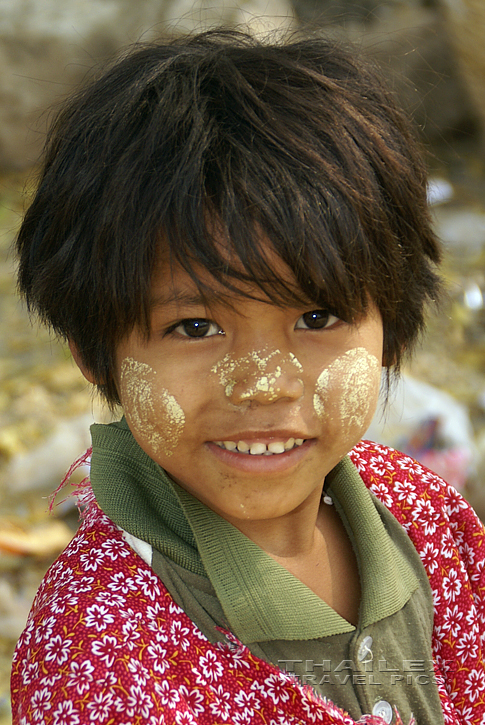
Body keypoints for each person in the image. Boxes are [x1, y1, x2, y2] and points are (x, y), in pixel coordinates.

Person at [10, 28, 485, 725]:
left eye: (316, 315)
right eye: (195, 327)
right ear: (93, 350)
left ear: (391, 324)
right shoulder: (102, 658)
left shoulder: (419, 510)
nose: (263, 382)